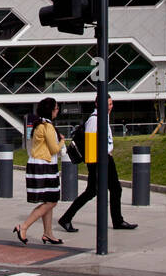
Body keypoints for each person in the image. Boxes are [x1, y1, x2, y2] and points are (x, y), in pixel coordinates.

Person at [57, 95, 136, 232]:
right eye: (107, 104)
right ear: (97, 104)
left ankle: (117, 221)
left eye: (111, 104)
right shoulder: (94, 120)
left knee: (108, 190)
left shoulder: (102, 118)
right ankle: (67, 218)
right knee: (96, 191)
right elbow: (91, 142)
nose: (110, 107)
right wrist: (99, 160)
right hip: (99, 160)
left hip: (103, 158)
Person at [13, 97, 64, 245]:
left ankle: (48, 233)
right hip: (44, 166)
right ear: (50, 110)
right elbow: (54, 148)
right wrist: (62, 140)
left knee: (49, 200)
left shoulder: (41, 125)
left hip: (42, 165)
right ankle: (23, 226)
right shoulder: (46, 126)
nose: (58, 110)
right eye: (56, 108)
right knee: (52, 201)